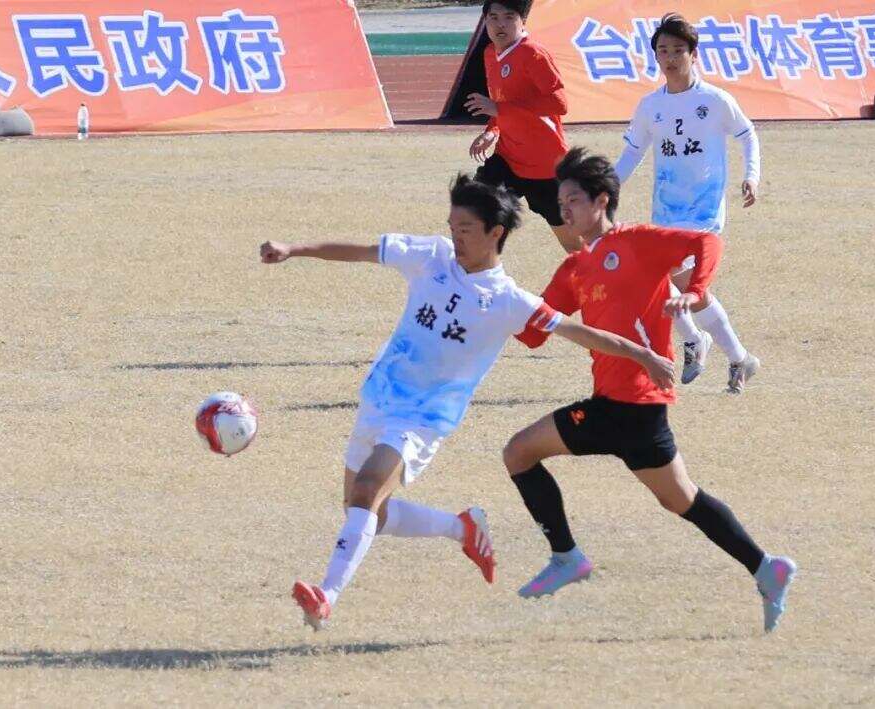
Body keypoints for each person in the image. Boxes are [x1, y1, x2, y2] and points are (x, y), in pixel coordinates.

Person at [260, 175, 675, 630]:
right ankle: (462, 529)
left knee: (366, 491)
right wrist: (294, 248)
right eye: (452, 227)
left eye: (465, 229)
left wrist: (642, 354)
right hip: (379, 398)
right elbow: (361, 251)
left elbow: (580, 333)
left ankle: (327, 597)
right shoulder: (431, 256)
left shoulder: (509, 301)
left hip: (423, 418)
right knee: (365, 512)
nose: (455, 237)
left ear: (496, 232)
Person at [506, 148, 796, 632]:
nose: (564, 211)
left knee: (518, 452)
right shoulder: (574, 269)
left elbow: (706, 242)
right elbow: (533, 334)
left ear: (602, 200)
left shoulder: (637, 241)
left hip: (629, 406)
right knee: (682, 499)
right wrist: (495, 301)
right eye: (561, 202)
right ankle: (767, 568)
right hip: (630, 411)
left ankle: (566, 557)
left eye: (573, 200)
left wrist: (696, 291)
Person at [614, 12, 761, 393]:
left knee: (679, 281)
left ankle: (700, 341)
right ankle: (735, 355)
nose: (670, 57)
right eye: (663, 50)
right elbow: (632, 152)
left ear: (693, 54)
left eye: (678, 50)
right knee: (671, 283)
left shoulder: (714, 100)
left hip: (703, 210)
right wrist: (607, 189)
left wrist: (751, 176)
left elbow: (747, 134)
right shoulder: (651, 106)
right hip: (667, 208)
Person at [465, 0, 580, 252]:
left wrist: (499, 110)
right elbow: (502, 102)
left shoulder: (533, 54)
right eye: (493, 17)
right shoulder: (489, 53)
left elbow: (559, 104)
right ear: (485, 21)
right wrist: (492, 130)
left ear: (523, 21)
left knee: (573, 245)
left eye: (509, 17)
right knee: (478, 209)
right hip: (507, 158)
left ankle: (600, 272)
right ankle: (481, 270)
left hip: (545, 166)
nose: (500, 24)